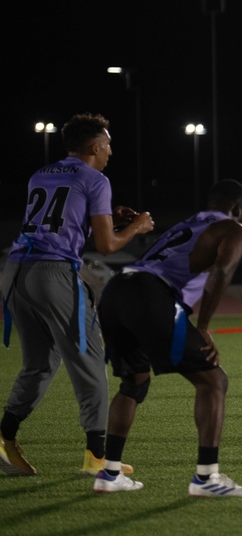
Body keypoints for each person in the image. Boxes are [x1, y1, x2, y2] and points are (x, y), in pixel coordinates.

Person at [0, 113, 154, 477]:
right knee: (91, 360)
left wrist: (105, 216)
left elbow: (60, 224)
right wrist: (137, 226)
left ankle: (5, 438)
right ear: (95, 146)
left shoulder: (41, 173)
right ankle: (97, 456)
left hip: (16, 269)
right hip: (53, 274)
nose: (110, 151)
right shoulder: (95, 179)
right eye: (108, 144)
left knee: (39, 363)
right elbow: (106, 245)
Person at [92, 179, 242, 496]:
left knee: (134, 381)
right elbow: (223, 271)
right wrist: (205, 326)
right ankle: (206, 478)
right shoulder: (236, 229)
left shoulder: (188, 223)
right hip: (151, 294)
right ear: (238, 209)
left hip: (117, 290)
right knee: (213, 380)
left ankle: (110, 473)